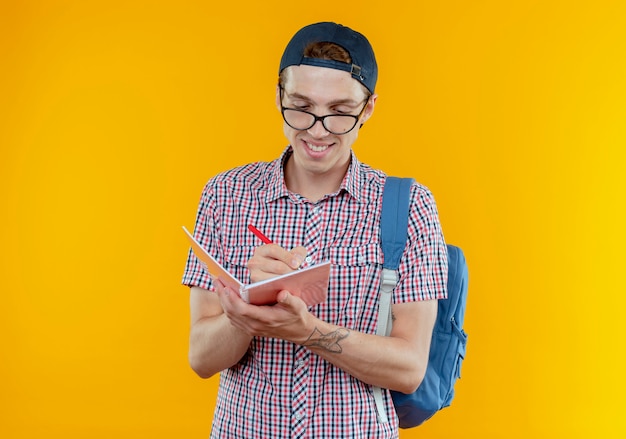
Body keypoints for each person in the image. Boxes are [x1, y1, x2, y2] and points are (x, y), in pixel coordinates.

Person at [182, 21, 448, 438]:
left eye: (340, 112)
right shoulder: (226, 195)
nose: (318, 129)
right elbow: (201, 358)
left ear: (369, 109)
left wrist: (309, 332)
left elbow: (410, 369)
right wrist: (244, 316)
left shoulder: (409, 206)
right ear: (279, 95)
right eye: (301, 106)